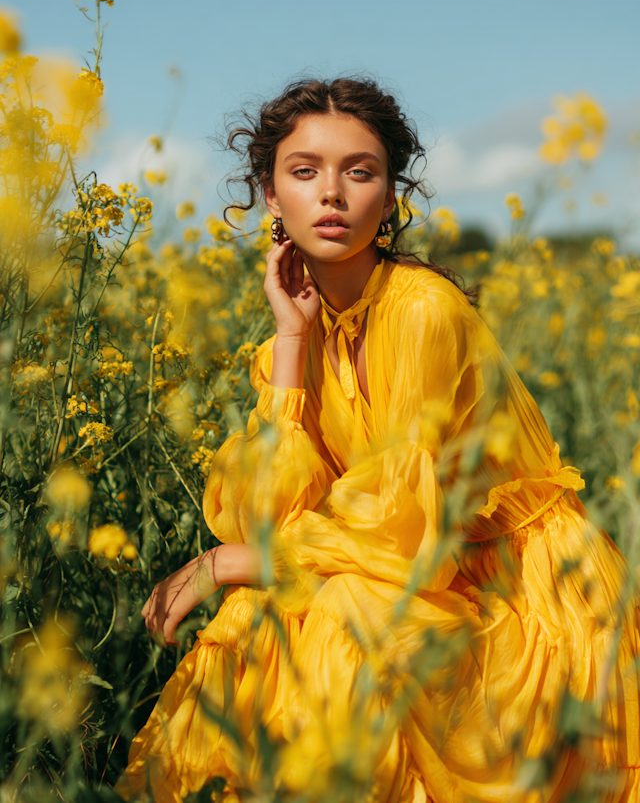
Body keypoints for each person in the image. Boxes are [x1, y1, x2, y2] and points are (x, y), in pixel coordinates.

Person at [115, 78, 640, 803]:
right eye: (304, 172)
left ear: (389, 199)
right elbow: (272, 521)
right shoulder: (289, 342)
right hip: (399, 570)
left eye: (359, 172)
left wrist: (225, 560)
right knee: (261, 610)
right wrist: (293, 341)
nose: (331, 193)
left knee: (344, 614)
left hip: (516, 590)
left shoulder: (424, 310)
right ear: (271, 197)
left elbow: (403, 540)